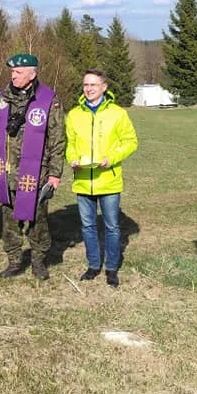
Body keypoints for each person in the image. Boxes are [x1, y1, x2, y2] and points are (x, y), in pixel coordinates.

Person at [0, 54, 65, 280]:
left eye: (18, 72)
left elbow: (58, 140)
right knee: (9, 220)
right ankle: (14, 260)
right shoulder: (3, 98)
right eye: (12, 72)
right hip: (6, 173)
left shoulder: (49, 100)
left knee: (37, 219)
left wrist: (55, 173)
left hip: (37, 174)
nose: (13, 76)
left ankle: (38, 260)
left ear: (32, 74)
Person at [65, 70, 138, 287]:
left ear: (104, 87)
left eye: (93, 85)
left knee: (112, 227)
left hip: (109, 179)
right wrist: (73, 159)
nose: (88, 89)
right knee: (87, 226)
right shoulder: (74, 115)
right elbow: (70, 144)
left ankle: (112, 268)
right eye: (86, 84)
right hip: (83, 180)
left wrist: (112, 158)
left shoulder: (118, 114)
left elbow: (131, 141)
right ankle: (93, 265)